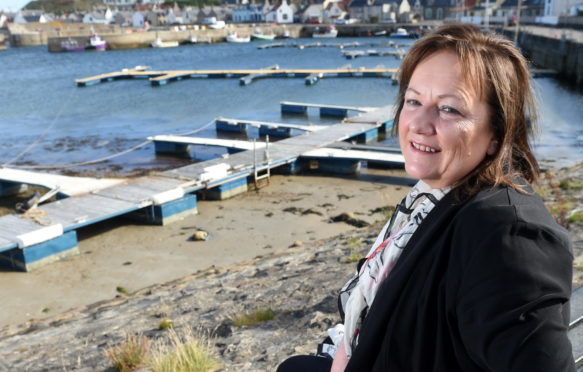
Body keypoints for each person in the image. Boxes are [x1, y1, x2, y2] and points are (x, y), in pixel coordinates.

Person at [277, 23, 575, 372]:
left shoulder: (509, 236)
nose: (419, 123)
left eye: (449, 109)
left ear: (497, 132)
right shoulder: (430, 200)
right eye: (414, 100)